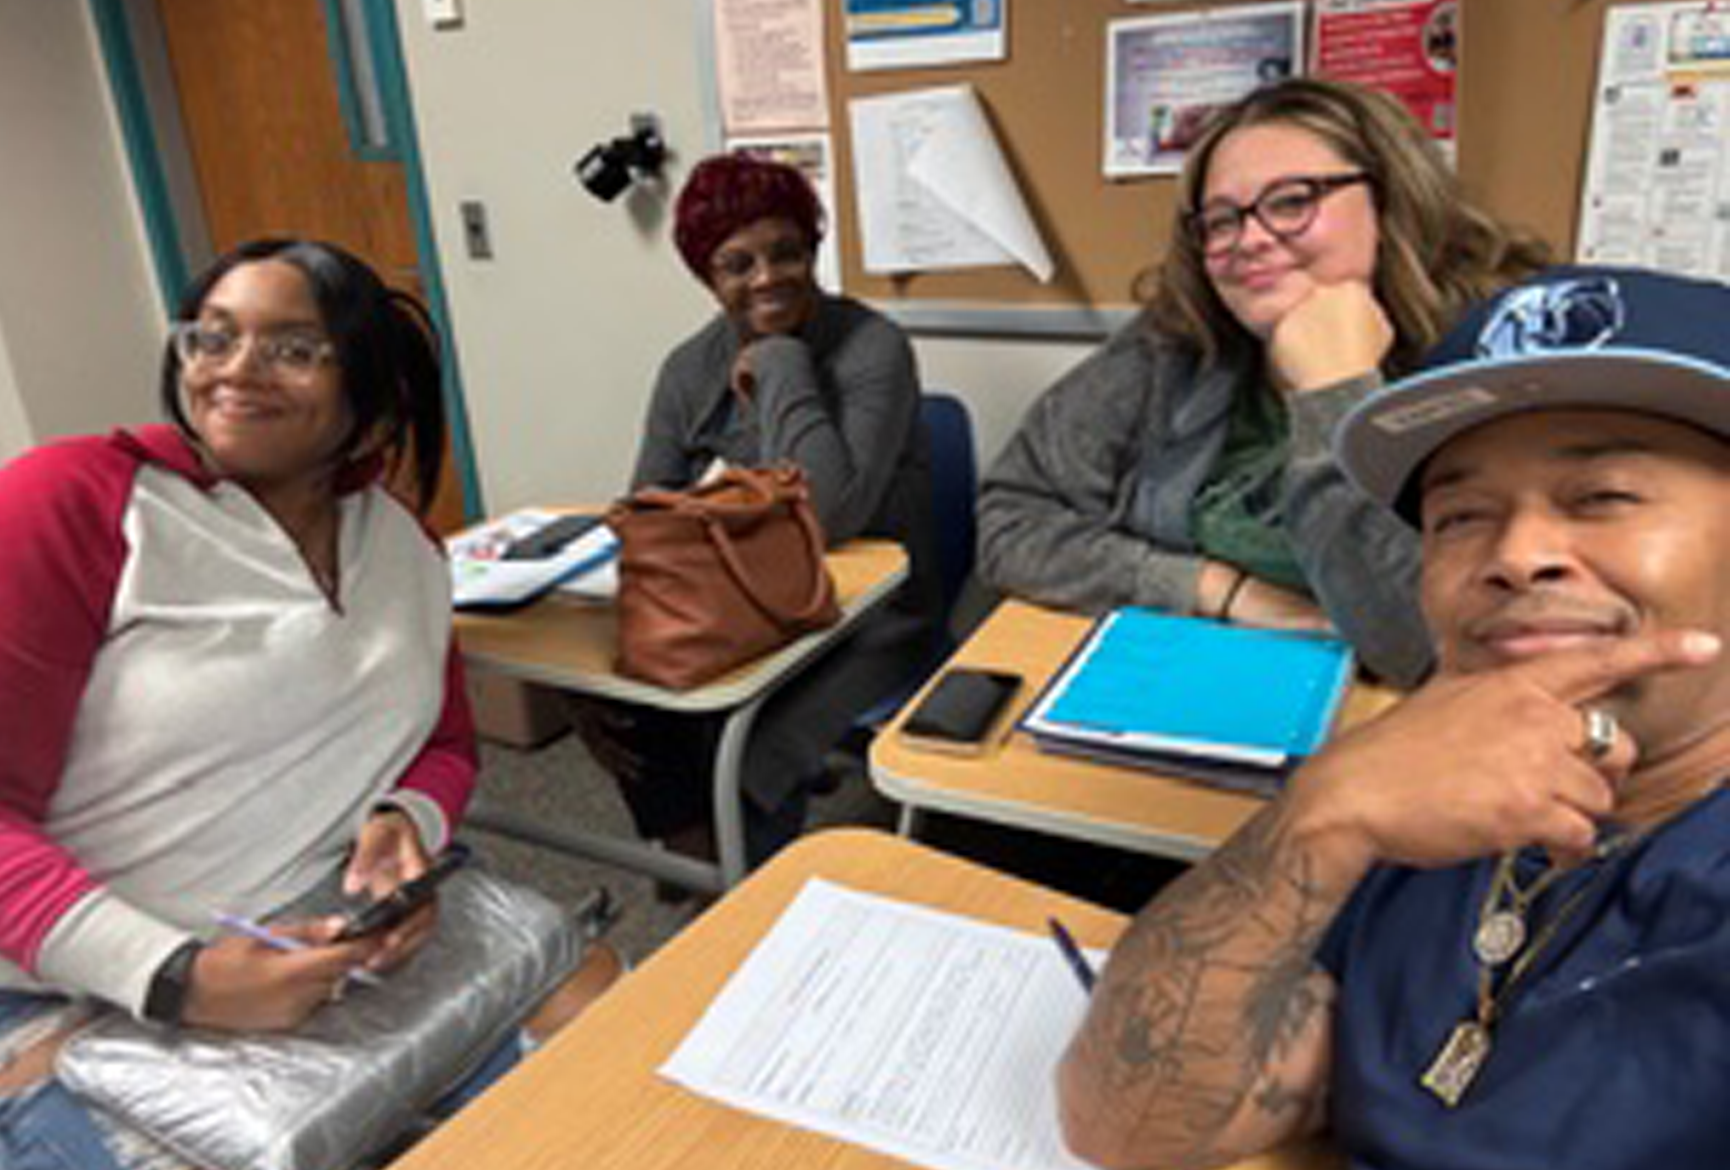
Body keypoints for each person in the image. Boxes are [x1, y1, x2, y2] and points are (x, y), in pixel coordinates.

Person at [0, 238, 606, 1169]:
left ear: (371, 399)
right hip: (44, 984)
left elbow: (443, 743)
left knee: (606, 1047)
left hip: (316, 938)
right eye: (212, 337)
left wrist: (401, 822)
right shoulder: (73, 502)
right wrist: (177, 979)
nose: (234, 370)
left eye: (292, 347)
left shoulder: (402, 547)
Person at [1056, 266, 1730, 1169]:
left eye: (1602, 496)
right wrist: (1314, 820)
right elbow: (1130, 1125)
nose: (1516, 554)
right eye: (1460, 516)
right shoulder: (1435, 794)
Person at [977, 78, 1548, 686]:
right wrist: (1219, 589)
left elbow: (1438, 645)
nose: (1248, 240)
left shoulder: (1505, 355)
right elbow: (1011, 519)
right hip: (1200, 677)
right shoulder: (1172, 344)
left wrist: (1335, 393)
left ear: (1390, 198)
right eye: (1220, 221)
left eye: (1292, 200)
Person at [568, 152, 939, 870]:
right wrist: (591, 673)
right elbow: (643, 516)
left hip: (871, 616)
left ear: (814, 251)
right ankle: (708, 868)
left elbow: (831, 515)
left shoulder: (873, 348)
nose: (767, 277)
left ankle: (739, 877)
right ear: (708, 278)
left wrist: (778, 361)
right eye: (738, 265)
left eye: (786, 253)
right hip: (747, 600)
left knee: (751, 738)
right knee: (635, 696)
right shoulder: (687, 370)